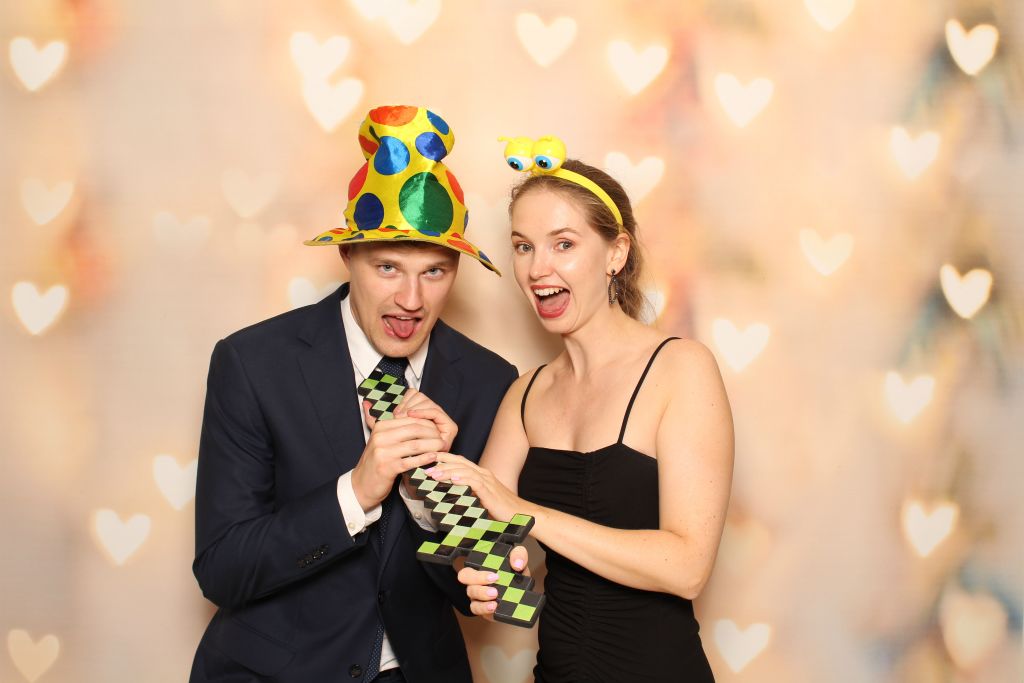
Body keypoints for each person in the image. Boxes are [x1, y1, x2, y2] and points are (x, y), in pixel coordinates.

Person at [189, 106, 517, 683]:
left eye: (434, 271)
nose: (411, 300)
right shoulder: (253, 363)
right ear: (348, 255)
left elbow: (483, 594)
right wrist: (356, 493)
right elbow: (223, 569)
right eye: (388, 267)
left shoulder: (488, 380)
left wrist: (431, 494)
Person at [427, 136, 734, 681]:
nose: (537, 268)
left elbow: (687, 567)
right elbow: (483, 540)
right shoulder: (525, 394)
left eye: (563, 244)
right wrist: (431, 463)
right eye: (523, 246)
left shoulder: (681, 369)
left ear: (616, 253)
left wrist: (527, 515)